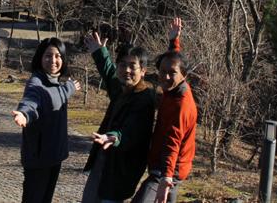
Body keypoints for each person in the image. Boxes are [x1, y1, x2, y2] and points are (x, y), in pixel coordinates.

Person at [81, 32, 156, 203]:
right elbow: (109, 74)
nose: (126, 70)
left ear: (143, 71)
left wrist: (115, 137)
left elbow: (132, 129)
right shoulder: (123, 90)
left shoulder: (144, 98)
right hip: (104, 162)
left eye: (132, 66)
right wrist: (99, 52)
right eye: (122, 65)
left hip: (121, 169)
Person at [132, 17, 198, 203]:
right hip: (169, 165)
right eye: (162, 71)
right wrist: (173, 42)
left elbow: (172, 142)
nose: (166, 76)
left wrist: (166, 177)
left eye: (172, 73)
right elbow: (173, 61)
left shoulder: (181, 105)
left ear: (184, 75)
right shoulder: (175, 87)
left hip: (168, 167)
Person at [12, 37, 82, 203]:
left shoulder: (57, 84)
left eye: (58, 56)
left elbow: (57, 95)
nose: (53, 60)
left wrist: (70, 88)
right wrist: (24, 114)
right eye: (48, 56)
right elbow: (31, 101)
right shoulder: (36, 83)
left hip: (54, 157)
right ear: (40, 58)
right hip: (38, 160)